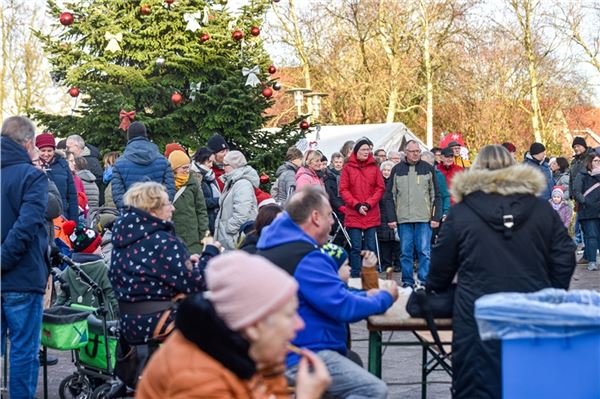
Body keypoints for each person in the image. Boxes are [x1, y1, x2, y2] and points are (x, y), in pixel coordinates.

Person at [428, 144, 575, 399]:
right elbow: (564, 255)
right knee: (530, 382)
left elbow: (441, 263)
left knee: (478, 384)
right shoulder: (540, 209)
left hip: (477, 310)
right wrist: (551, 291)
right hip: (531, 305)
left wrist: (436, 288)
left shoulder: (462, 212)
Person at [256, 186, 397, 399]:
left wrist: (363, 296)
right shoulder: (307, 256)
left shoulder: (274, 246)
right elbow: (343, 307)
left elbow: (329, 293)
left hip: (278, 349)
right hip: (302, 353)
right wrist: (385, 298)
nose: (333, 222)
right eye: (330, 215)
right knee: (372, 389)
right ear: (315, 217)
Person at [136, 251, 331, 399]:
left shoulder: (246, 346)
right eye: (289, 315)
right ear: (254, 326)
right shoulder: (197, 380)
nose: (300, 325)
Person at [109, 182, 218, 345]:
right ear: (153, 210)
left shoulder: (123, 238)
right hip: (160, 326)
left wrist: (188, 262)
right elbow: (197, 283)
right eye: (168, 203)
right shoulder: (163, 241)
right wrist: (210, 252)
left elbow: (153, 273)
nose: (173, 208)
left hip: (129, 327)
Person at [1, 116, 49, 399]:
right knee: (23, 351)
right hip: (21, 276)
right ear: (29, 142)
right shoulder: (32, 177)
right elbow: (27, 226)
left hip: (16, 273)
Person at [385, 140, 442, 288]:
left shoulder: (428, 169)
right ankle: (407, 281)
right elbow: (389, 196)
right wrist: (391, 217)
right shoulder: (396, 170)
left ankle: (423, 281)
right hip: (403, 218)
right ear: (405, 152)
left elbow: (436, 195)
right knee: (405, 252)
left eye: (418, 151)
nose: (416, 153)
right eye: (412, 151)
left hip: (424, 218)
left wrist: (436, 216)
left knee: (424, 252)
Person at [339, 138, 385, 277]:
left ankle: (370, 274)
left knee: (370, 247)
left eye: (368, 150)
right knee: (356, 247)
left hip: (370, 212)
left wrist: (368, 204)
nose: (367, 152)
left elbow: (380, 188)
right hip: (354, 212)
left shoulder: (374, 167)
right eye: (363, 150)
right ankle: (355, 275)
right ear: (356, 151)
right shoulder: (347, 168)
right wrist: (357, 204)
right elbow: (343, 190)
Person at [55, 221, 119, 319]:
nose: (100, 247)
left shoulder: (68, 271)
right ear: (90, 250)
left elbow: (60, 301)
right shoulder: (102, 269)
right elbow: (113, 297)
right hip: (100, 326)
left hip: (75, 325)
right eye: (98, 245)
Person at [111, 122, 175, 208]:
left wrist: (129, 212)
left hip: (132, 216)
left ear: (128, 137)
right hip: (158, 214)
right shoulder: (163, 161)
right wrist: (161, 208)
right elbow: (170, 190)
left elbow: (118, 195)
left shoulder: (119, 163)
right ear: (145, 135)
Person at [214, 151, 260, 250]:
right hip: (230, 237)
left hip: (234, 237)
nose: (223, 168)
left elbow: (242, 213)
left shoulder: (242, 184)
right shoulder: (233, 182)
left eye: (225, 165)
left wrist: (229, 228)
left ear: (233, 166)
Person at [168, 150, 209, 254]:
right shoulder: (166, 184)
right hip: (173, 235)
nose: (187, 170)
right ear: (174, 168)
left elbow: (201, 210)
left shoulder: (193, 183)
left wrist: (204, 234)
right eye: (184, 168)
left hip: (192, 238)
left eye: (188, 167)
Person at [36, 132, 79, 221]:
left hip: (63, 217)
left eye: (49, 151)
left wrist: (74, 221)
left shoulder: (63, 165)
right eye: (43, 151)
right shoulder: (33, 166)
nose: (46, 154)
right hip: (41, 217)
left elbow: (72, 195)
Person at [573, 152, 600, 271]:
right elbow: (576, 192)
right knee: (591, 236)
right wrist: (586, 202)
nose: (598, 163)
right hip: (588, 211)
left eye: (599, 161)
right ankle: (592, 261)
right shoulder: (582, 175)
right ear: (589, 162)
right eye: (595, 161)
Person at [421, 151, 451, 243]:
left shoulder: (438, 176)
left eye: (424, 162)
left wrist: (445, 212)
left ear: (431, 163)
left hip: (435, 215)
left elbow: (446, 196)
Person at [66, 134, 104, 205]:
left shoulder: (90, 160)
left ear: (77, 147)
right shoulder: (82, 158)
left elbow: (99, 178)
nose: (67, 150)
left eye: (68, 147)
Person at [191, 147, 220, 235]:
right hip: (203, 221)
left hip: (212, 218)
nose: (211, 165)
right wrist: (220, 200)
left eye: (212, 162)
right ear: (202, 159)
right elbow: (200, 201)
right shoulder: (195, 176)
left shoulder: (209, 175)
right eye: (209, 161)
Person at [378, 161, 400, 272]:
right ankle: (386, 263)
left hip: (395, 214)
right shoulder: (378, 183)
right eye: (384, 170)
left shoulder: (396, 182)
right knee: (385, 241)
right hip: (382, 214)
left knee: (397, 241)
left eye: (389, 170)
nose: (386, 172)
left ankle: (397, 263)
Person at [324, 152, 347, 247]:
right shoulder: (328, 176)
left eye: (340, 162)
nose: (338, 164)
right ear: (332, 162)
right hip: (334, 207)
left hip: (344, 204)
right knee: (337, 233)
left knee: (344, 234)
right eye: (336, 162)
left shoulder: (345, 175)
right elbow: (330, 194)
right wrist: (340, 206)